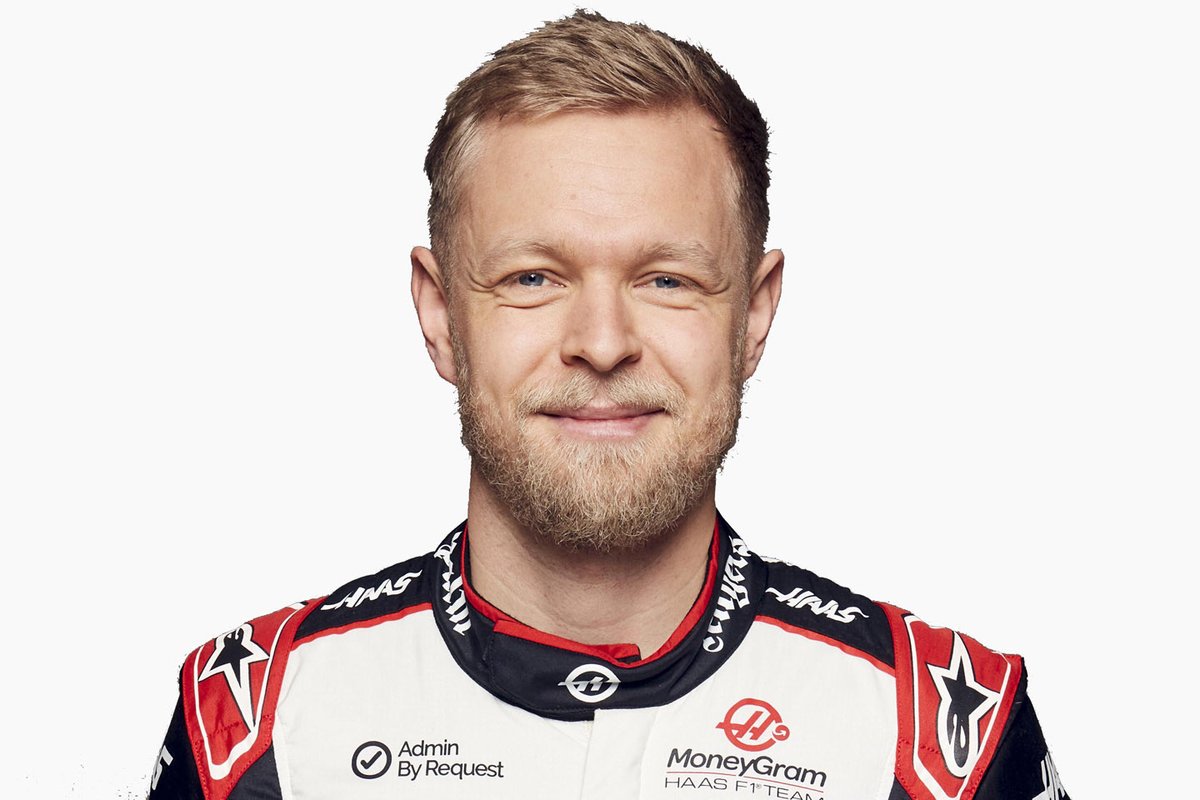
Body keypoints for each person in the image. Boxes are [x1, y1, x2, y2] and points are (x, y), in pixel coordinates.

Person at [149, 11, 1068, 800]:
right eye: (532, 277)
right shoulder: (256, 728)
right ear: (439, 315)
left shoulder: (941, 741)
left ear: (753, 316)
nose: (601, 341)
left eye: (667, 279)